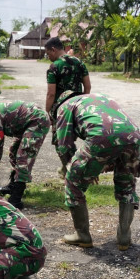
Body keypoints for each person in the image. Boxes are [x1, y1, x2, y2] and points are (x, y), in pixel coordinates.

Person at [54, 91, 140, 250]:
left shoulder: (65, 106)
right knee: (126, 185)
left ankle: (82, 235)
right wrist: (91, 168)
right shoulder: (98, 98)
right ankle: (124, 237)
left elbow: (64, 145)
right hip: (133, 136)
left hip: (101, 136)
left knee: (73, 183)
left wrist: (76, 170)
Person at [44, 37, 91, 175]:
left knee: (60, 141)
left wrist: (47, 111)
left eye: (48, 53)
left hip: (61, 110)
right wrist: (82, 102)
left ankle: (71, 169)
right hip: (77, 107)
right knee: (72, 137)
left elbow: (51, 94)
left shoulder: (54, 67)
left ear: (53, 49)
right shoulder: (79, 62)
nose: (48, 57)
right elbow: (88, 86)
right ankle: (70, 167)